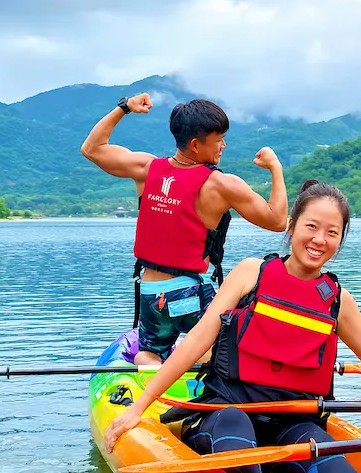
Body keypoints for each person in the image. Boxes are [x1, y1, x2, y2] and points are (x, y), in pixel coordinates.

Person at [104, 180, 361, 473]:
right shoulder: (251, 274)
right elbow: (197, 340)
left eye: (332, 232)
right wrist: (139, 407)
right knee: (234, 427)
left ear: (340, 239)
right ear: (291, 226)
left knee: (327, 457)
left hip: (293, 422)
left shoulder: (337, 302)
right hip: (227, 413)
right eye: (311, 227)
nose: (319, 239)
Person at [81, 93, 288, 366]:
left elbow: (92, 149)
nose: (223, 145)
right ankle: (205, 376)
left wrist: (124, 107)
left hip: (152, 295)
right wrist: (275, 167)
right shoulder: (222, 185)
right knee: (228, 347)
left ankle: (154, 386)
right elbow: (277, 220)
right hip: (190, 295)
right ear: (195, 144)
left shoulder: (146, 167)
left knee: (149, 352)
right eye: (218, 140)